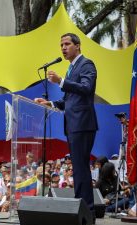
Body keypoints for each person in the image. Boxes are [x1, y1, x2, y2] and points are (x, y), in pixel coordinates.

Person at [35, 32, 98, 213]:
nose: (63, 48)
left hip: (82, 123)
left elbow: (86, 88)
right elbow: (70, 100)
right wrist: (51, 103)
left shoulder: (86, 64)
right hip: (73, 124)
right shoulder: (72, 68)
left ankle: (87, 210)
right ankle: (84, 209)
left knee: (81, 168)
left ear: (77, 46)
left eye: (67, 44)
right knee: (78, 168)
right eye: (61, 45)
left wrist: (61, 81)